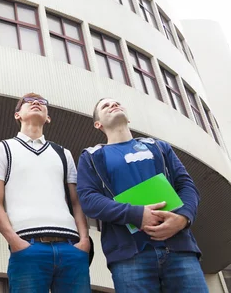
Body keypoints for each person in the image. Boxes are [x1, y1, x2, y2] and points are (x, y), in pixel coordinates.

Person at [77, 98, 207, 292]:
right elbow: (89, 200)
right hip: (130, 258)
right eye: (106, 106)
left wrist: (183, 218)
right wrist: (136, 214)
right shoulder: (92, 156)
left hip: (179, 249)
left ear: (128, 119)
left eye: (118, 103)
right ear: (98, 124)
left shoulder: (160, 147)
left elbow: (187, 186)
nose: (113, 105)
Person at [0, 93, 91, 293]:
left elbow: (76, 202)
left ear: (48, 117)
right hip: (28, 246)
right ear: (17, 115)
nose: (36, 103)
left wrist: (84, 240)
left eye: (42, 102)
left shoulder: (63, 153)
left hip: (71, 247)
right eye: (28, 101)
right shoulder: (3, 149)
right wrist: (15, 241)